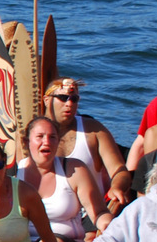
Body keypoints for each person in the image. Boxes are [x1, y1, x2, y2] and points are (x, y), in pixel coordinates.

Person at [19, 115, 114, 242]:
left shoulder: (74, 169)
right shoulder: (13, 173)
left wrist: (107, 223)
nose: (46, 142)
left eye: (52, 137)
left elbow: (98, 212)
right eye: (40, 137)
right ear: (26, 142)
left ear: (58, 142)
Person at [44, 78, 133, 212]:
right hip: (46, 213)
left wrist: (116, 187)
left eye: (74, 99)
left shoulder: (94, 130)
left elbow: (119, 170)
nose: (69, 104)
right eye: (62, 98)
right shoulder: (32, 133)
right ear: (46, 100)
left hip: (90, 214)